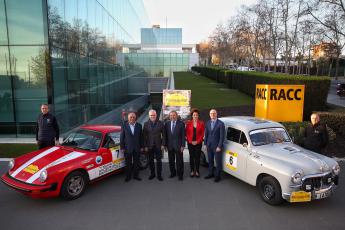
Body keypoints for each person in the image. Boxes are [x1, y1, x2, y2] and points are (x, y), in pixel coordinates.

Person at [143, 109, 166, 181]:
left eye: (154, 115)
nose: (152, 116)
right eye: (151, 115)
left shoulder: (161, 123)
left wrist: (163, 144)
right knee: (150, 161)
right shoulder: (146, 124)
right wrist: (145, 146)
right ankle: (152, 174)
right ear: (149, 116)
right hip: (149, 146)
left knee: (159, 161)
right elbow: (144, 136)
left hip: (158, 145)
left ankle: (159, 175)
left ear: (156, 115)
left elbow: (164, 135)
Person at [120, 112, 143, 182]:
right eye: (131, 117)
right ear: (128, 118)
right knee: (128, 163)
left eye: (133, 117)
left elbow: (141, 137)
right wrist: (122, 147)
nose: (132, 118)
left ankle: (136, 175)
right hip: (127, 148)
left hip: (137, 147)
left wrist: (142, 146)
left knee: (136, 163)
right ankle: (128, 176)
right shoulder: (124, 126)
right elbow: (122, 137)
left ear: (135, 118)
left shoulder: (139, 125)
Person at [204, 109, 225, 182]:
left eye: (214, 113)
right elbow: (206, 134)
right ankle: (210, 173)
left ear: (216, 114)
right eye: (211, 113)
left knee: (218, 161)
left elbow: (222, 136)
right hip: (209, 145)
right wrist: (205, 144)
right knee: (210, 160)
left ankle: (217, 176)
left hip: (217, 146)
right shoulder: (208, 123)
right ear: (209, 115)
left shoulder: (221, 124)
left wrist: (219, 146)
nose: (212, 115)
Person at [164, 111, 185, 181]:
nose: (172, 117)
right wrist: (165, 145)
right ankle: (173, 173)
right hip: (170, 146)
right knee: (171, 161)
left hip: (178, 146)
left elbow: (183, 136)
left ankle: (180, 174)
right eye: (171, 115)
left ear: (177, 116)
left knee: (179, 161)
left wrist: (183, 145)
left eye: (174, 115)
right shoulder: (166, 124)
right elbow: (165, 136)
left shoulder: (181, 124)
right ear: (169, 116)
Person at [185, 109, 205, 178]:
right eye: (194, 115)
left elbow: (202, 134)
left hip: (198, 143)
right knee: (191, 157)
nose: (195, 116)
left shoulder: (201, 123)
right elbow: (186, 133)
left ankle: (197, 171)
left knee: (197, 157)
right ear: (192, 116)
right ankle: (192, 171)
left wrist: (197, 141)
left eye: (196, 115)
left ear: (198, 116)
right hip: (190, 143)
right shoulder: (188, 123)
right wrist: (190, 141)